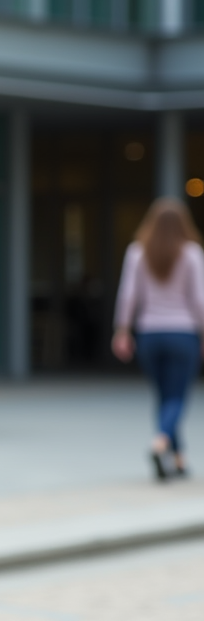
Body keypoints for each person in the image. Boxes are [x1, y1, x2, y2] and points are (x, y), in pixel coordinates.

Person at [112, 198, 204, 481]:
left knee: (165, 396)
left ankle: (177, 458)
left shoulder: (137, 252)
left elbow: (128, 295)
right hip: (182, 333)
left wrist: (122, 330)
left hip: (149, 333)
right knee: (176, 395)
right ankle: (161, 440)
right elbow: (199, 299)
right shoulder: (190, 253)